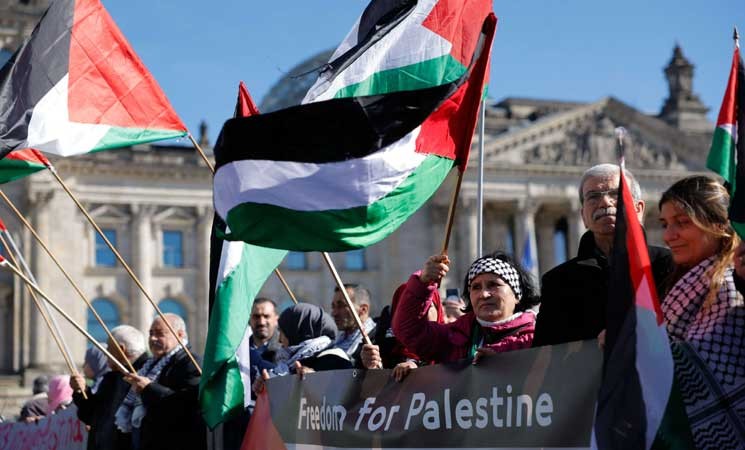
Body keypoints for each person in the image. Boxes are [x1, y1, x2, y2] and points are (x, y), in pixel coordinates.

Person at [533, 164, 672, 347]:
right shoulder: (557, 282)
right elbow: (543, 353)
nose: (605, 202)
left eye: (616, 194)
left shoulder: (668, 265)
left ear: (638, 209)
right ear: (583, 216)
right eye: (593, 197)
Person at [657, 176, 745, 449]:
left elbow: (702, 366)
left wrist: (633, 343)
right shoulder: (682, 284)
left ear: (718, 224)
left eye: (682, 223)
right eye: (665, 224)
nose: (668, 236)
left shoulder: (729, 286)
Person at [392, 250, 539, 364]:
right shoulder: (453, 336)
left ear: (517, 295)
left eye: (493, 285)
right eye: (476, 287)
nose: (484, 294)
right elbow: (409, 331)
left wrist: (502, 356)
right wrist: (424, 282)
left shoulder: (539, 336)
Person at [117, 314, 206, 450]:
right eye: (151, 333)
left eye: (159, 334)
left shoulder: (191, 363)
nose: (153, 338)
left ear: (180, 335)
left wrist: (149, 388)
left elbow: (187, 406)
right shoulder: (148, 366)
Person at [71, 325, 148, 450]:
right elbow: (92, 415)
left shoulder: (147, 374)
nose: (105, 354)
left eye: (108, 349)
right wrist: (81, 391)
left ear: (121, 349)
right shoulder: (112, 378)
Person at [275, 303, 351, 374]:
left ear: (299, 332)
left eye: (283, 333)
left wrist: (313, 378)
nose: (279, 340)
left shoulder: (335, 361)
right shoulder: (291, 364)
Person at [330, 284, 376, 367]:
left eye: (341, 306)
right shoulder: (333, 341)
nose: (334, 313)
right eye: (333, 307)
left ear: (363, 309)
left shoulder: (377, 338)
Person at [249, 297, 281, 363]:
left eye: (266, 316)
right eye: (256, 316)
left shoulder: (285, 349)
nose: (261, 322)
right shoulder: (241, 351)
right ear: (249, 319)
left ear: (276, 320)